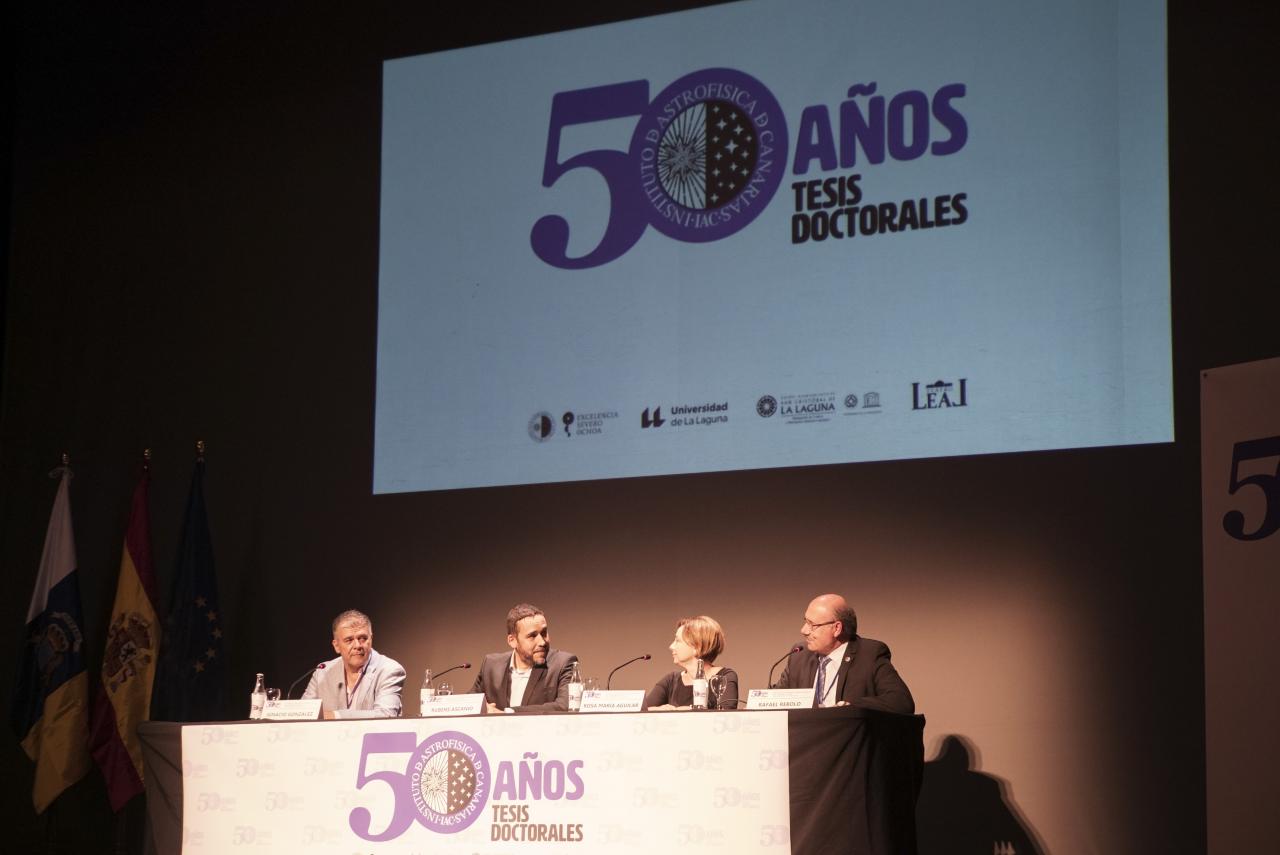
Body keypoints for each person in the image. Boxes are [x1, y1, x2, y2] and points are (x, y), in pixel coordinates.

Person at [772, 593, 914, 714]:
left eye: (812, 625)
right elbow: (775, 700)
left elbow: (901, 701)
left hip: (847, 742)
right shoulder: (800, 655)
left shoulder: (869, 655)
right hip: (806, 741)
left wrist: (850, 707)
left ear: (837, 628)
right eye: (805, 622)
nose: (804, 630)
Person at [472, 603, 578, 713]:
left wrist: (507, 713)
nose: (542, 642)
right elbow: (470, 702)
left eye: (544, 633)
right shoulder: (491, 665)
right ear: (512, 640)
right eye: (532, 636)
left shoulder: (563, 663)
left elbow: (566, 706)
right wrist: (483, 707)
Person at [301, 609, 405, 719]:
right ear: (336, 646)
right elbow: (303, 713)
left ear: (371, 639)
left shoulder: (389, 670)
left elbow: (385, 715)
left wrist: (334, 715)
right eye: (349, 640)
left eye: (363, 638)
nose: (357, 645)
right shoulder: (323, 672)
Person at [645, 615, 739, 711]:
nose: (671, 646)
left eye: (677, 641)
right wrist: (662, 710)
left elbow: (726, 714)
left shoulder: (724, 677)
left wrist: (680, 711)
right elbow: (642, 711)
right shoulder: (671, 680)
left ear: (697, 647)